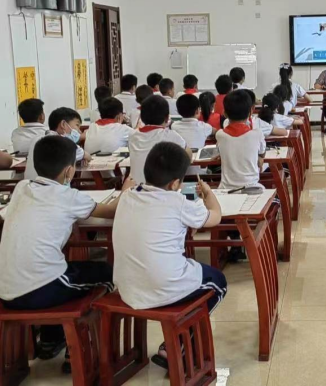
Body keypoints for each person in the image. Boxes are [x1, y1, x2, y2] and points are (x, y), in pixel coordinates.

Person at [0, 135, 135, 372]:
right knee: (107, 274)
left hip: (6, 290)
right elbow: (113, 211)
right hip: (38, 290)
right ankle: (82, 349)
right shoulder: (68, 197)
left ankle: (51, 340)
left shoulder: (22, 188)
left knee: (64, 270)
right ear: (69, 171)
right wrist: (126, 189)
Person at [112, 142, 224, 369]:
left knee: (184, 267)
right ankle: (179, 344)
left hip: (127, 288)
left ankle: (175, 342)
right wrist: (208, 193)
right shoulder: (178, 202)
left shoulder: (127, 197)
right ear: (175, 184)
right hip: (162, 288)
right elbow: (215, 217)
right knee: (218, 282)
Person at [128, 95, 191, 184]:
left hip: (136, 187)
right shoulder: (171, 135)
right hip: (160, 187)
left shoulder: (132, 135)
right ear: (167, 118)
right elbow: (188, 154)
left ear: (141, 117)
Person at [216, 90, 266, 190]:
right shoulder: (257, 134)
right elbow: (262, 153)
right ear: (251, 111)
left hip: (226, 189)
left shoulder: (220, 135)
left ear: (224, 113)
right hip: (252, 188)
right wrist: (259, 157)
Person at [24, 108, 91, 180]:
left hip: (30, 185)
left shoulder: (37, 139)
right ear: (63, 124)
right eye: (77, 125)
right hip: (51, 186)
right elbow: (88, 156)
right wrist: (82, 157)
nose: (79, 131)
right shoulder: (65, 144)